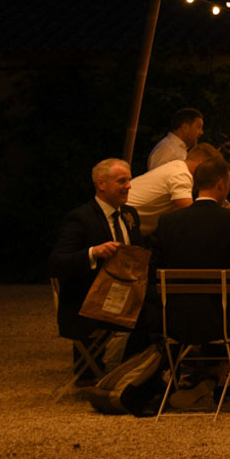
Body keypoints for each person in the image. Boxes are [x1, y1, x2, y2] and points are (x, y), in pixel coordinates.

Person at [147, 160, 230, 393]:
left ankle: (206, 371)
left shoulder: (168, 222)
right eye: (229, 183)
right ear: (221, 184)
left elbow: (153, 272)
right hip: (218, 318)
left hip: (172, 318)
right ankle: (221, 371)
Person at [46, 158, 142, 382]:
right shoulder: (81, 219)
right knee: (151, 317)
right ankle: (124, 376)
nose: (129, 186)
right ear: (101, 184)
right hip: (88, 303)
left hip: (125, 297)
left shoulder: (130, 215)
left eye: (129, 180)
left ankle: (134, 373)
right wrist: (92, 253)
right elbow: (55, 263)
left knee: (166, 310)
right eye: (122, 181)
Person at [127, 141, 217, 233]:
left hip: (126, 215)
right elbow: (191, 214)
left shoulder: (177, 165)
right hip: (123, 218)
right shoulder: (181, 175)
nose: (209, 176)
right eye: (210, 171)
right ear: (201, 165)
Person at [146, 108, 203, 172]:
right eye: (198, 127)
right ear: (185, 128)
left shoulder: (179, 149)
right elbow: (156, 178)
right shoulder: (167, 149)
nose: (201, 132)